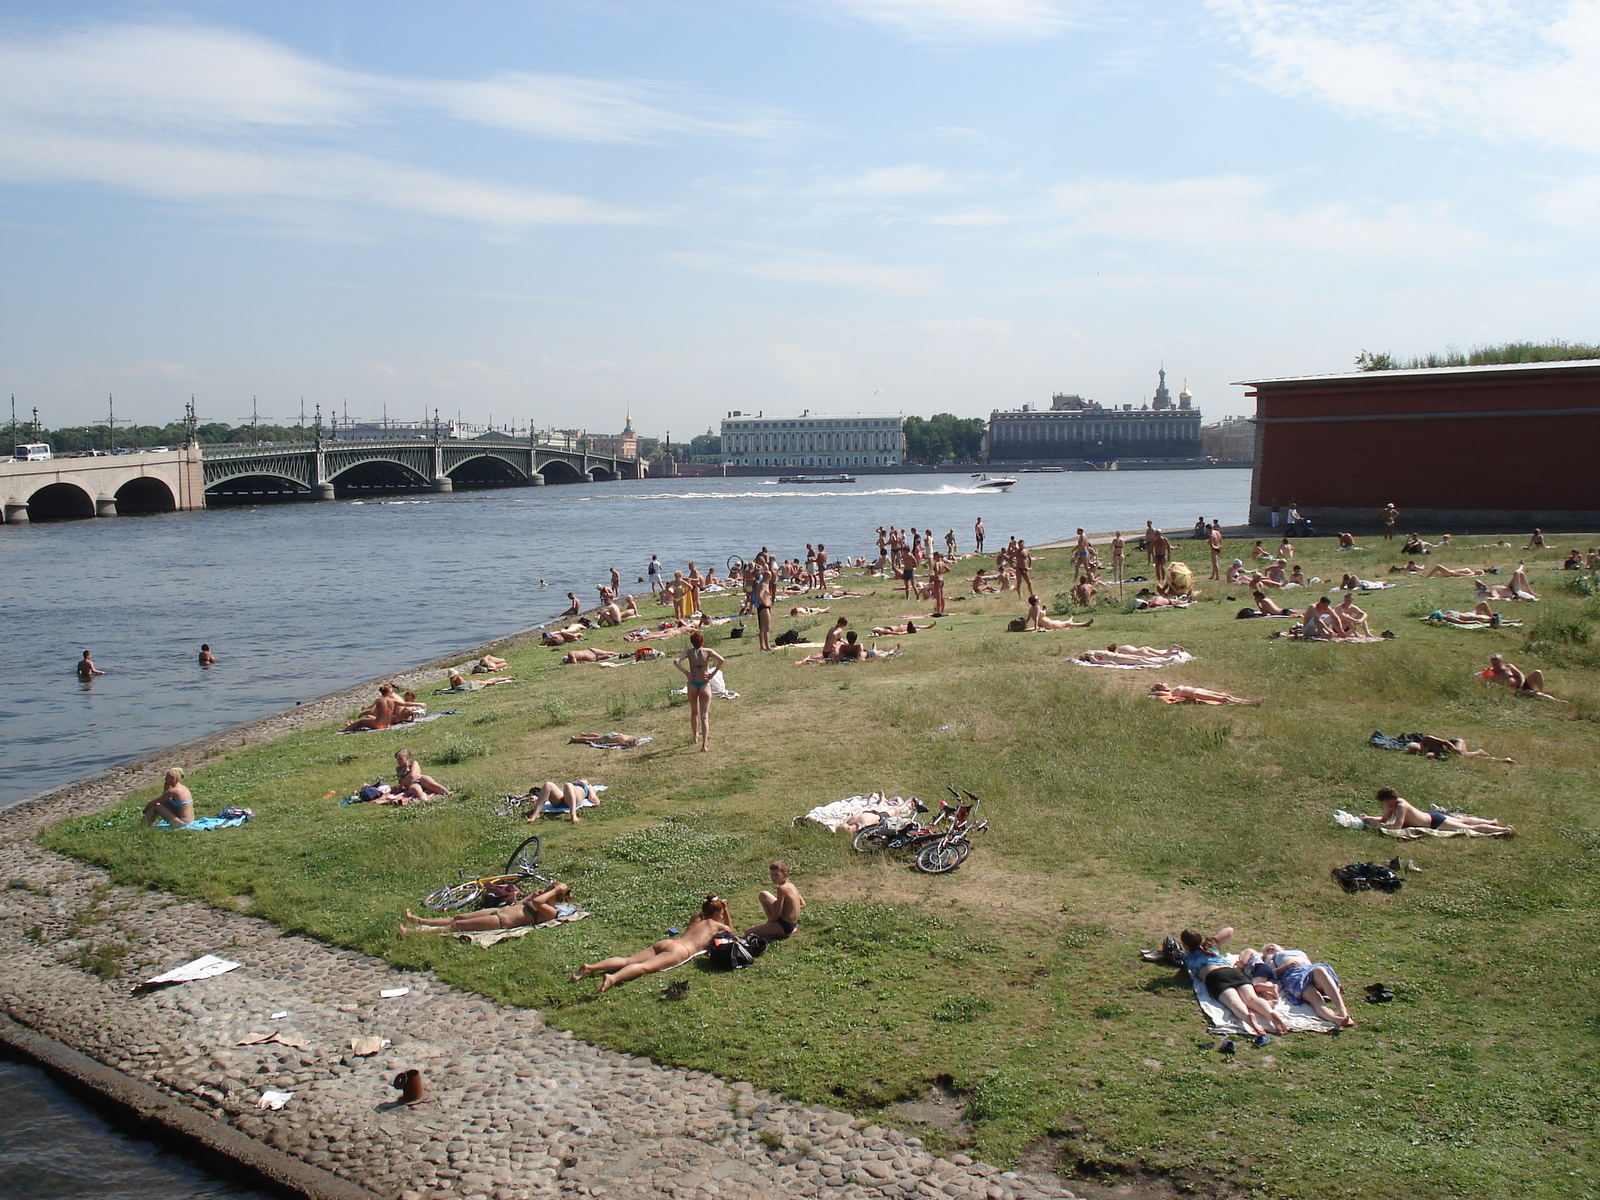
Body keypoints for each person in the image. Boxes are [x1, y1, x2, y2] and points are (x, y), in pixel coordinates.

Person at [571, 895, 733, 993]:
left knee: (628, 960)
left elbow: (702, 916)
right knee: (644, 967)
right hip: (681, 951)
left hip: (670, 942)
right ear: (717, 914)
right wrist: (725, 910)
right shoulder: (715, 925)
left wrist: (718, 907)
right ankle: (613, 978)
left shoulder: (695, 918)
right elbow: (730, 930)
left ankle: (591, 967)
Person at [1179, 927, 1287, 1039]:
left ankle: (1248, 1018)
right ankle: (1271, 1014)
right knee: (1252, 998)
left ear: (1185, 945)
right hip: (1233, 972)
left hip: (1214, 976)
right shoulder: (1211, 947)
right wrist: (1213, 939)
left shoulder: (1188, 958)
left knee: (1234, 1001)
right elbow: (1229, 930)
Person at [401, 881, 574, 935]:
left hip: (500, 921)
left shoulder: (551, 911)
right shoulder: (541, 901)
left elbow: (537, 904)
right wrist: (531, 895)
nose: (545, 890)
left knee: (457, 927)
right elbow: (521, 904)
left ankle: (416, 932)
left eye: (549, 890)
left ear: (554, 895)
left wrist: (554, 891)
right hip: (498, 912)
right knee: (459, 918)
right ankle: (420, 920)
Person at [1251, 945, 1354, 1028]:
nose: (1270, 948)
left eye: (1271, 945)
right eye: (1267, 950)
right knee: (1315, 998)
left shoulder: (1296, 952)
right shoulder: (1272, 957)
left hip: (1309, 970)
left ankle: (1342, 1011)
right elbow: (1272, 973)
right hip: (1293, 975)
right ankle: (1336, 1019)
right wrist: (1285, 967)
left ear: (1282, 947)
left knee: (1320, 970)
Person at [1360, 786, 1514, 834]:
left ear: (1390, 800)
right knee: (1462, 820)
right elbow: (1384, 819)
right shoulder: (1393, 806)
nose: (1383, 805)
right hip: (1430, 816)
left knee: (1468, 827)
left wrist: (1377, 825)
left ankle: (1504, 830)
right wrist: (1369, 818)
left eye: (1383, 802)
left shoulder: (1400, 806)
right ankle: (1491, 822)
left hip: (1434, 822)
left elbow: (1397, 826)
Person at [676, 631, 726, 752]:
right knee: (705, 716)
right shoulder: (708, 651)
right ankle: (704, 745)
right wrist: (712, 674)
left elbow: (676, 661)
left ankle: (695, 736)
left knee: (694, 712)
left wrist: (687, 673)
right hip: (704, 684)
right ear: (702, 641)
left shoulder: (689, 652)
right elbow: (721, 660)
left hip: (693, 684)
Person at [745, 861, 806, 940]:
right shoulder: (791, 885)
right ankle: (778, 928)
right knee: (763, 895)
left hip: (785, 925)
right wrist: (790, 909)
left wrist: (768, 923)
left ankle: (779, 930)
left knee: (748, 933)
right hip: (791, 923)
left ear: (785, 875)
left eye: (777, 875)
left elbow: (777, 913)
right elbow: (803, 904)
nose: (773, 878)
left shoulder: (781, 889)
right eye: (772, 874)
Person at [1482, 653, 1564, 700]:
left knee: (1537, 672)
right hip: (1517, 690)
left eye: (1497, 663)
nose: (1496, 665)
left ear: (1501, 661)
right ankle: (1555, 700)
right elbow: (1484, 679)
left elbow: (1520, 674)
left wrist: (1521, 685)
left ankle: (1542, 690)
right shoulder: (1491, 671)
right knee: (1536, 694)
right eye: (1494, 663)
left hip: (1523, 684)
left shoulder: (1509, 667)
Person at [522, 779, 599, 823]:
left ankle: (573, 815)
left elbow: (595, 800)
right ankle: (535, 814)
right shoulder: (569, 785)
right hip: (562, 799)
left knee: (568, 785)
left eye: (584, 779)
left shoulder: (586, 787)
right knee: (548, 784)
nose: (582, 779)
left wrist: (589, 787)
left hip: (575, 800)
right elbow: (557, 792)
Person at [1404, 735, 1513, 763]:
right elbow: (1439, 754)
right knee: (1466, 759)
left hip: (1455, 743)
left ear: (1418, 745)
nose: (1420, 753)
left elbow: (1445, 742)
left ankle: (1478, 752)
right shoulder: (1425, 751)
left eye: (1417, 750)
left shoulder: (1427, 739)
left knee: (1462, 756)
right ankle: (1502, 760)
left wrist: (1455, 750)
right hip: (1450, 751)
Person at [1147, 682, 1261, 705]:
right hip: (1196, 694)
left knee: (1226, 696)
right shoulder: (1167, 693)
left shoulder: (1173, 688)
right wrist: (1155, 691)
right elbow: (1153, 695)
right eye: (1160, 683)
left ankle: (1248, 701)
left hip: (1200, 690)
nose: (1163, 682)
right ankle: (1250, 703)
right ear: (1159, 688)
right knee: (1224, 699)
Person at [1027, 595, 1093, 631]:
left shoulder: (1031, 609)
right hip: (1050, 625)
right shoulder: (1037, 608)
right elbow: (1036, 619)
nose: (1039, 599)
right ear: (1035, 602)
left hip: (1049, 623)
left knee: (1060, 622)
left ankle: (1070, 620)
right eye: (1038, 599)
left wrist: (1024, 625)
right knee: (1068, 624)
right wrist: (1036, 629)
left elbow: (1028, 618)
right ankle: (1084, 624)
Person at [929, 551, 950, 617]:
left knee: (938, 597)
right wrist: (942, 573)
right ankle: (942, 610)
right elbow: (948, 569)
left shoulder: (937, 563)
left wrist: (934, 576)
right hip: (942, 579)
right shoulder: (942, 563)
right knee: (942, 596)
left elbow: (937, 570)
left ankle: (938, 611)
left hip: (937, 580)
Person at [569, 732, 647, 748]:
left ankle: (584, 734)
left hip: (613, 733)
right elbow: (615, 744)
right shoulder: (624, 742)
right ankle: (574, 739)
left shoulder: (628, 736)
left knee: (597, 735)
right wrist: (606, 745)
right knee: (592, 739)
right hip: (608, 739)